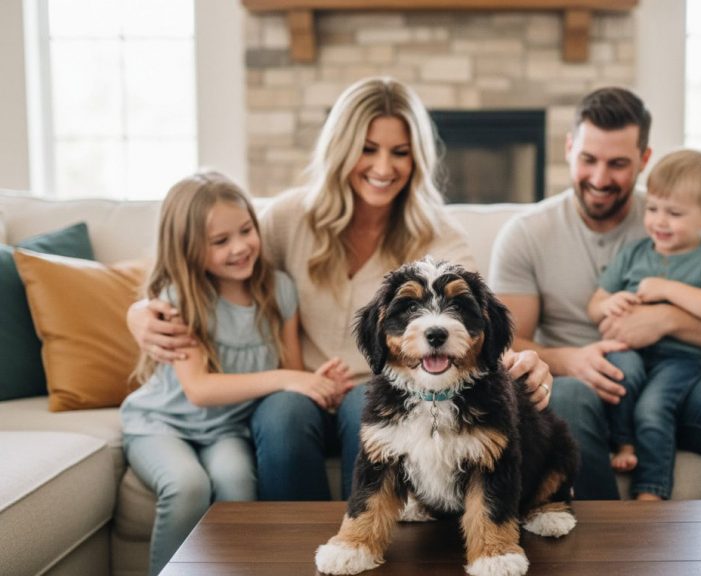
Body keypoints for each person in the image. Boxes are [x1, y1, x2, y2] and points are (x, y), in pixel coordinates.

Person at [126, 77, 553, 502]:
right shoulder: (289, 217)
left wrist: (520, 360)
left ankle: (370, 545)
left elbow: (471, 321)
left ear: (416, 159)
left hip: (387, 390)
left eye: (399, 153)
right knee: (281, 413)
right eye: (368, 149)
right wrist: (141, 309)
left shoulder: (439, 236)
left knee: (360, 406)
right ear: (340, 149)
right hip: (302, 388)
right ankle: (288, 551)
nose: (383, 168)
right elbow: (207, 268)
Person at [489, 87, 701, 500]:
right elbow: (503, 344)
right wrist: (568, 360)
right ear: (569, 148)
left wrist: (668, 319)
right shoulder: (526, 233)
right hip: (582, 382)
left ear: (644, 161)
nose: (599, 178)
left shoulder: (683, 218)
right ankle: (606, 561)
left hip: (677, 375)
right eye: (588, 160)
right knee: (570, 400)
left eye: (617, 164)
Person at [120, 171, 351, 576]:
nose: (241, 247)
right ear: (189, 248)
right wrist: (287, 378)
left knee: (238, 486)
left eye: (246, 230)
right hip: (161, 425)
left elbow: (293, 373)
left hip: (226, 431)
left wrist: (320, 385)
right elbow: (199, 389)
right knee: (187, 486)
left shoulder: (279, 290)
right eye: (221, 241)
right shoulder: (180, 299)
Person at [586, 149, 701, 500]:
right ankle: (624, 445)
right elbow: (595, 305)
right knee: (620, 375)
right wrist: (608, 304)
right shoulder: (634, 252)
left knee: (653, 406)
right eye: (653, 208)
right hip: (630, 349)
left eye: (674, 213)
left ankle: (651, 490)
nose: (660, 221)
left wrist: (668, 290)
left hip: (682, 360)